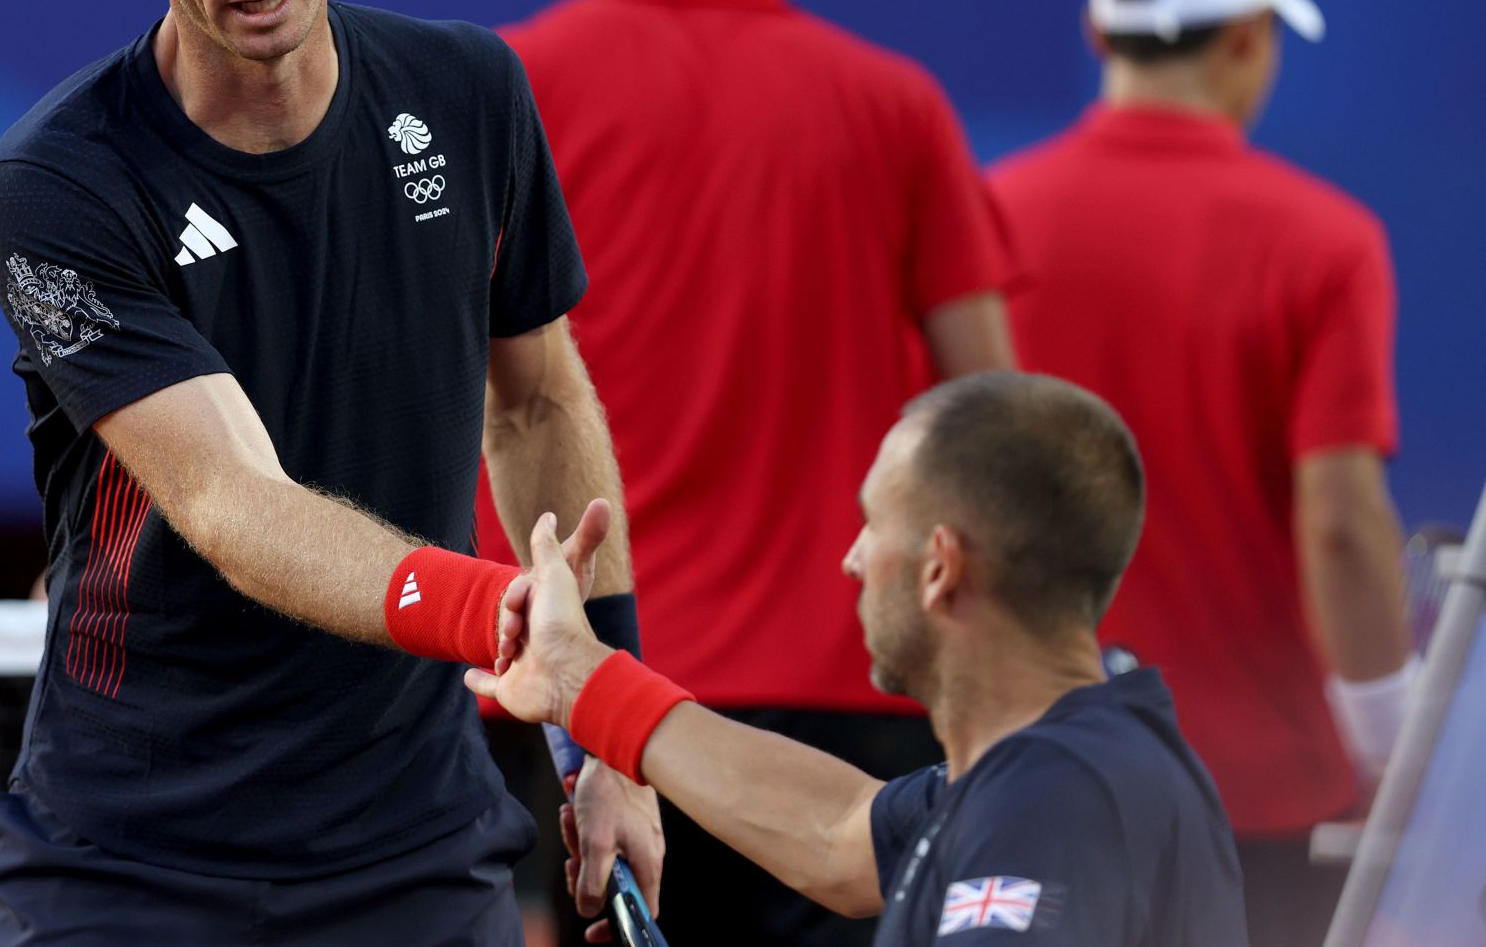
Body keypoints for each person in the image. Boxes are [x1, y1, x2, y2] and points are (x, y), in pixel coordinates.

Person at [0, 0, 660, 946]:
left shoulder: (470, 93)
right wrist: (494, 612)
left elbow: (539, 402)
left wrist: (609, 727)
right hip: (126, 859)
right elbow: (233, 501)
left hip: (414, 852)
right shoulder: (54, 188)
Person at [476, 0, 1017, 946]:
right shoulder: (896, 102)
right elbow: (992, 418)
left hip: (594, 692)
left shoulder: (505, 90)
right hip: (850, 693)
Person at [989, 0, 1413, 947]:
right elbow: (1343, 522)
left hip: (1029, 768)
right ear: (1251, 38)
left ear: (1098, 30)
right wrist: (1388, 730)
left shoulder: (990, 216)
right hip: (1257, 791)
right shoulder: (1327, 240)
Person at [471, 371, 1249, 946]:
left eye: (872, 522)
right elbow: (838, 831)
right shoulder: (1063, 763)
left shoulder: (1051, 799)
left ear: (939, 566)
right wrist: (587, 681)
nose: (850, 558)